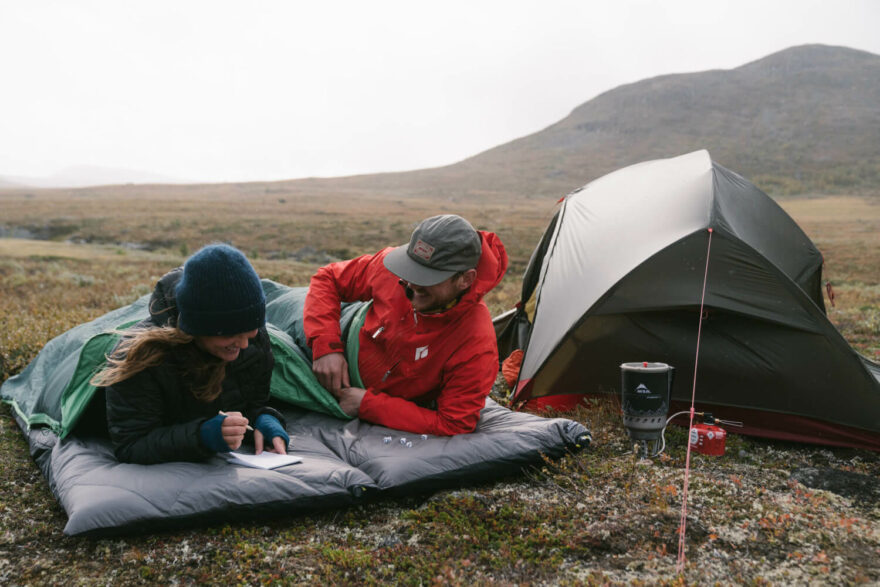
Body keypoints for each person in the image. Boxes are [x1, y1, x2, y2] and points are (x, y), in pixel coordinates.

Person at [304, 214, 508, 435]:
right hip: (337, 326)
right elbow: (328, 278)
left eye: (427, 277)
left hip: (360, 394)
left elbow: (454, 422)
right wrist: (326, 347)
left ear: (465, 279)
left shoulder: (475, 342)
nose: (410, 283)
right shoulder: (390, 268)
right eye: (411, 268)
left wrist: (367, 405)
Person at [93, 244, 289, 464]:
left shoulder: (255, 342)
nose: (243, 344)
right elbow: (132, 444)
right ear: (198, 327)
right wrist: (203, 436)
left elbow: (251, 404)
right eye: (231, 334)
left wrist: (264, 420)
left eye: (250, 331)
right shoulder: (140, 357)